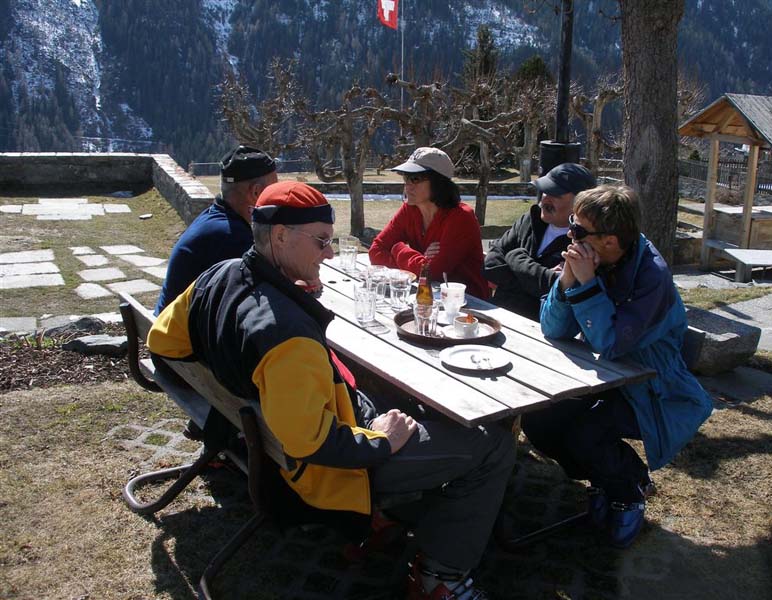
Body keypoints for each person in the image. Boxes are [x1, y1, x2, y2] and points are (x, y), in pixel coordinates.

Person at [148, 181, 514, 599]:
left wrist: (232, 372)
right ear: (280, 236)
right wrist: (381, 441)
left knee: (407, 396)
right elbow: (313, 443)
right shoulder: (286, 337)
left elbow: (162, 341)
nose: (329, 254)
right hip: (332, 470)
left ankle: (408, 520)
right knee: (494, 445)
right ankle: (440, 577)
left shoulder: (221, 273)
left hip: (277, 431)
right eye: (321, 241)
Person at [522, 184, 712, 549]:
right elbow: (553, 328)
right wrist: (567, 279)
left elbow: (611, 343)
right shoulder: (595, 257)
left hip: (654, 388)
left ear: (609, 240)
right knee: (540, 420)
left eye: (578, 229)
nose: (570, 235)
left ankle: (627, 491)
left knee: (586, 433)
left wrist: (586, 284)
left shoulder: (651, 277)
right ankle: (610, 476)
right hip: (604, 376)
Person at [154, 144, 278, 315]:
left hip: (170, 324)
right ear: (256, 192)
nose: (277, 196)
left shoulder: (215, 219)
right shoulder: (231, 237)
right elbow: (268, 294)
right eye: (274, 188)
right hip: (184, 330)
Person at [369, 147, 490, 299]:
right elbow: (376, 251)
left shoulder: (461, 217)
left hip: (466, 303)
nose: (408, 185)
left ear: (438, 182)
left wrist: (398, 249)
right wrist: (420, 261)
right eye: (406, 178)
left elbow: (433, 272)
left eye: (415, 179)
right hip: (425, 296)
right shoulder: (410, 209)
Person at [482, 163, 596, 319]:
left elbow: (556, 290)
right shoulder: (530, 219)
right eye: (544, 191)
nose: (545, 198)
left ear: (580, 203)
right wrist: (534, 283)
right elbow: (490, 265)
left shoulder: (584, 242)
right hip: (498, 313)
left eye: (555, 194)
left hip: (537, 328)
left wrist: (515, 257)